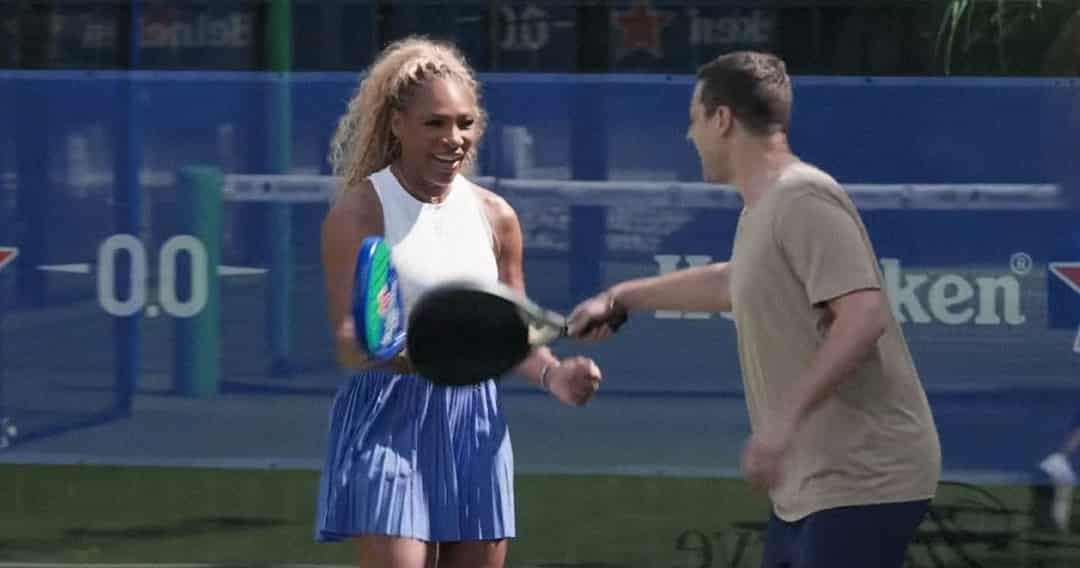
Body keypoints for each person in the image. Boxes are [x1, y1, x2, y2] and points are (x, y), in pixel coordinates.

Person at [568, 51, 941, 567]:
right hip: (811, 485)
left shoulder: (803, 196)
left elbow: (863, 316)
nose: (688, 135)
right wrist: (622, 297)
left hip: (863, 480)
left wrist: (780, 423)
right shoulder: (765, 206)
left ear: (722, 120)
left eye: (695, 119)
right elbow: (732, 281)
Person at [317, 36, 603, 568]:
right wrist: (395, 346)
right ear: (397, 124)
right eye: (436, 123)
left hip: (474, 421)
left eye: (465, 123)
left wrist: (554, 376)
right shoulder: (359, 214)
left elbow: (511, 335)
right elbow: (350, 344)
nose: (454, 138)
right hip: (387, 416)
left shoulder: (497, 217)